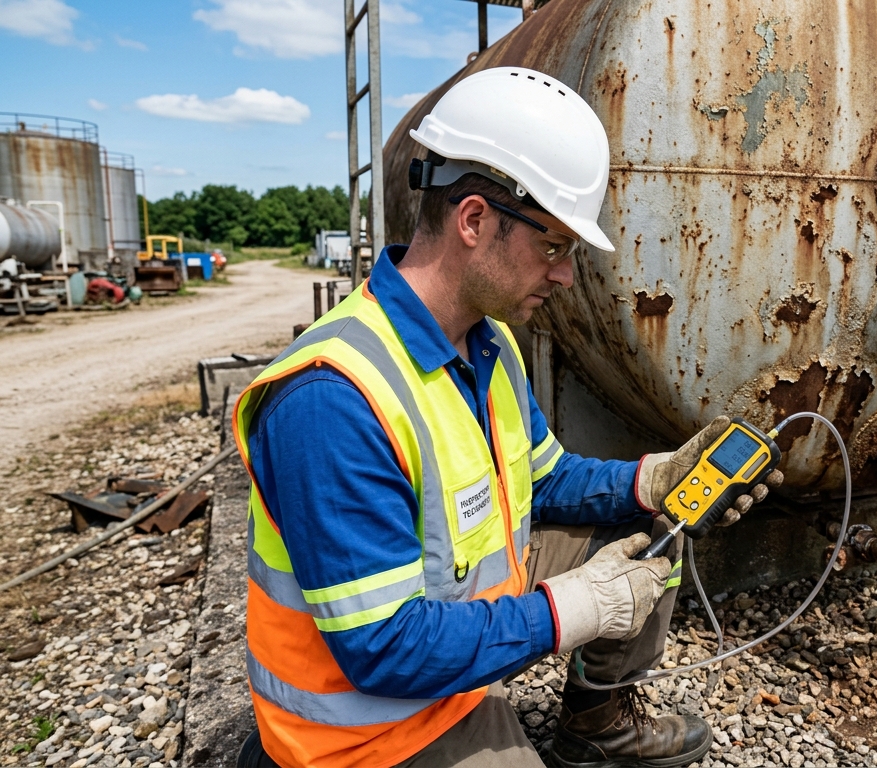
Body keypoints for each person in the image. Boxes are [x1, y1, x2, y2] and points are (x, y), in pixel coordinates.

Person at [231, 66, 782, 768]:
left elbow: (546, 479)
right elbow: (383, 649)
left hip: (451, 637)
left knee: (652, 533)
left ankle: (597, 727)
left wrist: (658, 480)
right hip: (365, 729)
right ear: (473, 220)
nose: (565, 277)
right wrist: (569, 610)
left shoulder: (489, 346)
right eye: (553, 247)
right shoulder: (332, 398)